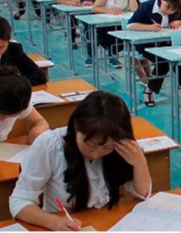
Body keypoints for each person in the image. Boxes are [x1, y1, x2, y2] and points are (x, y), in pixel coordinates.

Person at [9, 91, 152, 230]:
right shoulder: (50, 144)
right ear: (76, 127)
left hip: (107, 223)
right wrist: (55, 222)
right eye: (90, 144)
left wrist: (140, 163)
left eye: (107, 147)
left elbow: (142, 194)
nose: (95, 154)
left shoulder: (120, 148)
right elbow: (19, 200)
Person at [127, 0, 181, 106]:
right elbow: (130, 25)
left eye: (173, 10)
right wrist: (149, 27)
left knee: (180, 58)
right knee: (164, 61)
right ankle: (149, 90)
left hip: (166, 43)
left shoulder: (176, 7)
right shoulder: (147, 6)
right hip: (146, 43)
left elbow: (179, 20)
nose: (169, 12)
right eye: (167, 7)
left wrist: (176, 22)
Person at [58, 0, 108, 66]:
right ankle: (91, 56)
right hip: (87, 14)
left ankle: (112, 55)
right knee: (90, 31)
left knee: (110, 31)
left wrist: (94, 2)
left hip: (104, 12)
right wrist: (71, 2)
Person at [92, 0, 141, 68]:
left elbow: (134, 9)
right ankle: (112, 54)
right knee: (115, 32)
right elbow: (95, 8)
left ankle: (120, 53)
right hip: (106, 23)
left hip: (122, 20)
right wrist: (109, 11)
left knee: (131, 30)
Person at [0, 66, 49, 143]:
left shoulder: (18, 99)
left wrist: (37, 130)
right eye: (2, 115)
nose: (3, 120)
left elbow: (39, 121)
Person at [0, 17, 47, 86]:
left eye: (1, 47)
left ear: (9, 40)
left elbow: (39, 76)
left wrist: (12, 84)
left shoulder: (14, 50)